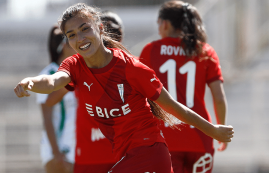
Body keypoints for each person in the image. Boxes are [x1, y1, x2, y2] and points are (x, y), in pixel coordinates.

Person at [14, 3, 234, 173]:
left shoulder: (131, 67)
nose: (80, 38)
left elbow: (174, 107)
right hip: (125, 157)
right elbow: (54, 82)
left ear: (100, 28)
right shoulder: (74, 66)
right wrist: (31, 82)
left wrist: (212, 129)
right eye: (72, 35)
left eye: (85, 29)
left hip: (149, 152)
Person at [139, 1, 228, 173]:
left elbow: (139, 95)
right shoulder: (206, 51)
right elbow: (219, 97)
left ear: (165, 23)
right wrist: (220, 131)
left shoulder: (150, 51)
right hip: (202, 136)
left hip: (165, 139)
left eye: (158, 24)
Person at [45, 10, 124, 173]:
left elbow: (50, 101)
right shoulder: (82, 67)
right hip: (99, 154)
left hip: (106, 154)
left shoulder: (126, 66)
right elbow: (49, 101)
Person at [36, 25, 77, 173]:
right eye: (72, 39)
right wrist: (56, 152)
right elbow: (47, 117)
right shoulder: (48, 75)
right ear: (64, 46)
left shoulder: (76, 71)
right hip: (59, 150)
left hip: (75, 148)